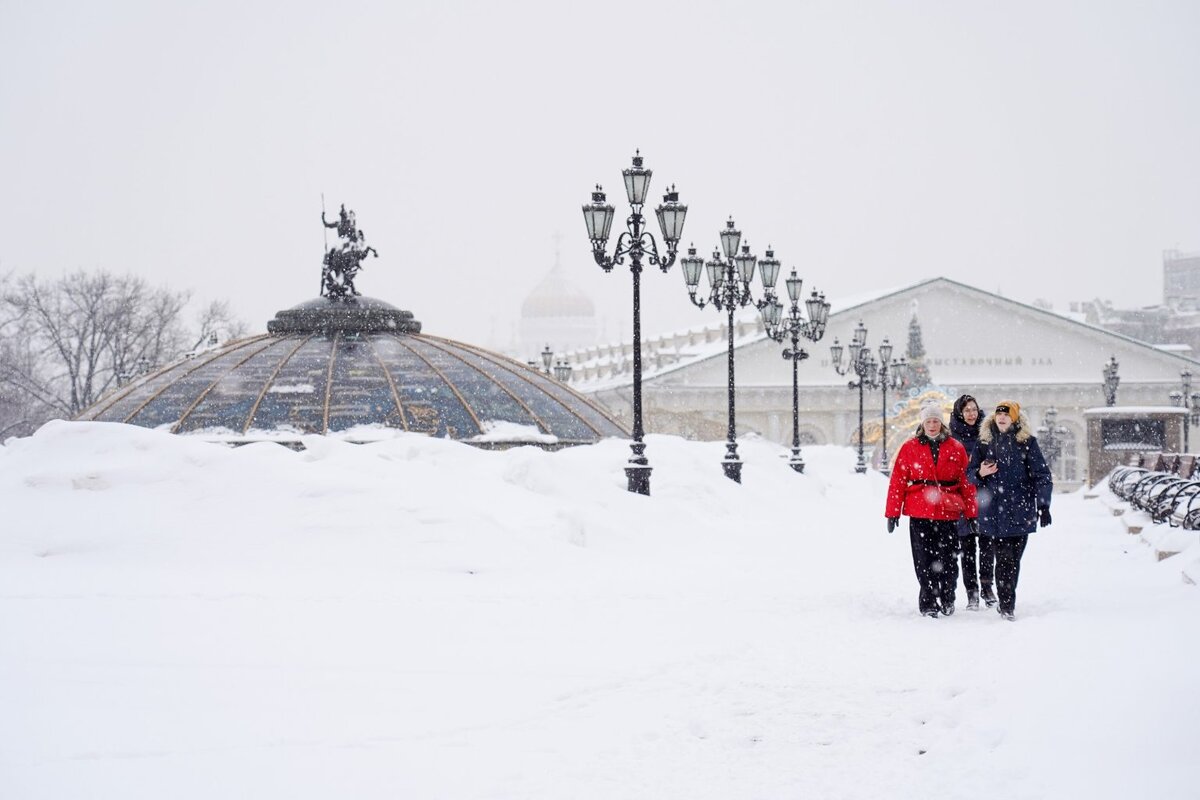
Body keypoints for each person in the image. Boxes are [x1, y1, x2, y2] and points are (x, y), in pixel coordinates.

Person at [886, 402, 979, 618]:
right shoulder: (910, 448)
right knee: (923, 559)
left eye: (936, 421)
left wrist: (972, 513)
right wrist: (893, 512)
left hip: (946, 511)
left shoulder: (955, 448)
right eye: (928, 421)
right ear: (922, 423)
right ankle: (928, 600)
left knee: (948, 557)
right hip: (920, 511)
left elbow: (966, 483)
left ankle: (947, 596)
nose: (932, 425)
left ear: (941, 423)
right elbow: (898, 481)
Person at [967, 400, 1053, 621]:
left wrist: (1043, 505)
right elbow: (968, 475)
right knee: (1004, 559)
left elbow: (1042, 475)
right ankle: (1007, 605)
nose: (1002, 418)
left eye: (1006, 415)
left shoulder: (1027, 443)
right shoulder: (984, 442)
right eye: (999, 415)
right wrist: (980, 474)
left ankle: (1006, 597)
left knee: (1014, 559)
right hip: (994, 511)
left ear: (1014, 418)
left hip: (1020, 510)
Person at [949, 394, 994, 610]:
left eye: (974, 409)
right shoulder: (951, 437)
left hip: (984, 496)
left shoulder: (987, 433)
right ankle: (972, 592)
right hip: (963, 498)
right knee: (966, 548)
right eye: (967, 410)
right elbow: (954, 470)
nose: (971, 414)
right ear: (960, 412)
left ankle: (987, 587)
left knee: (987, 545)